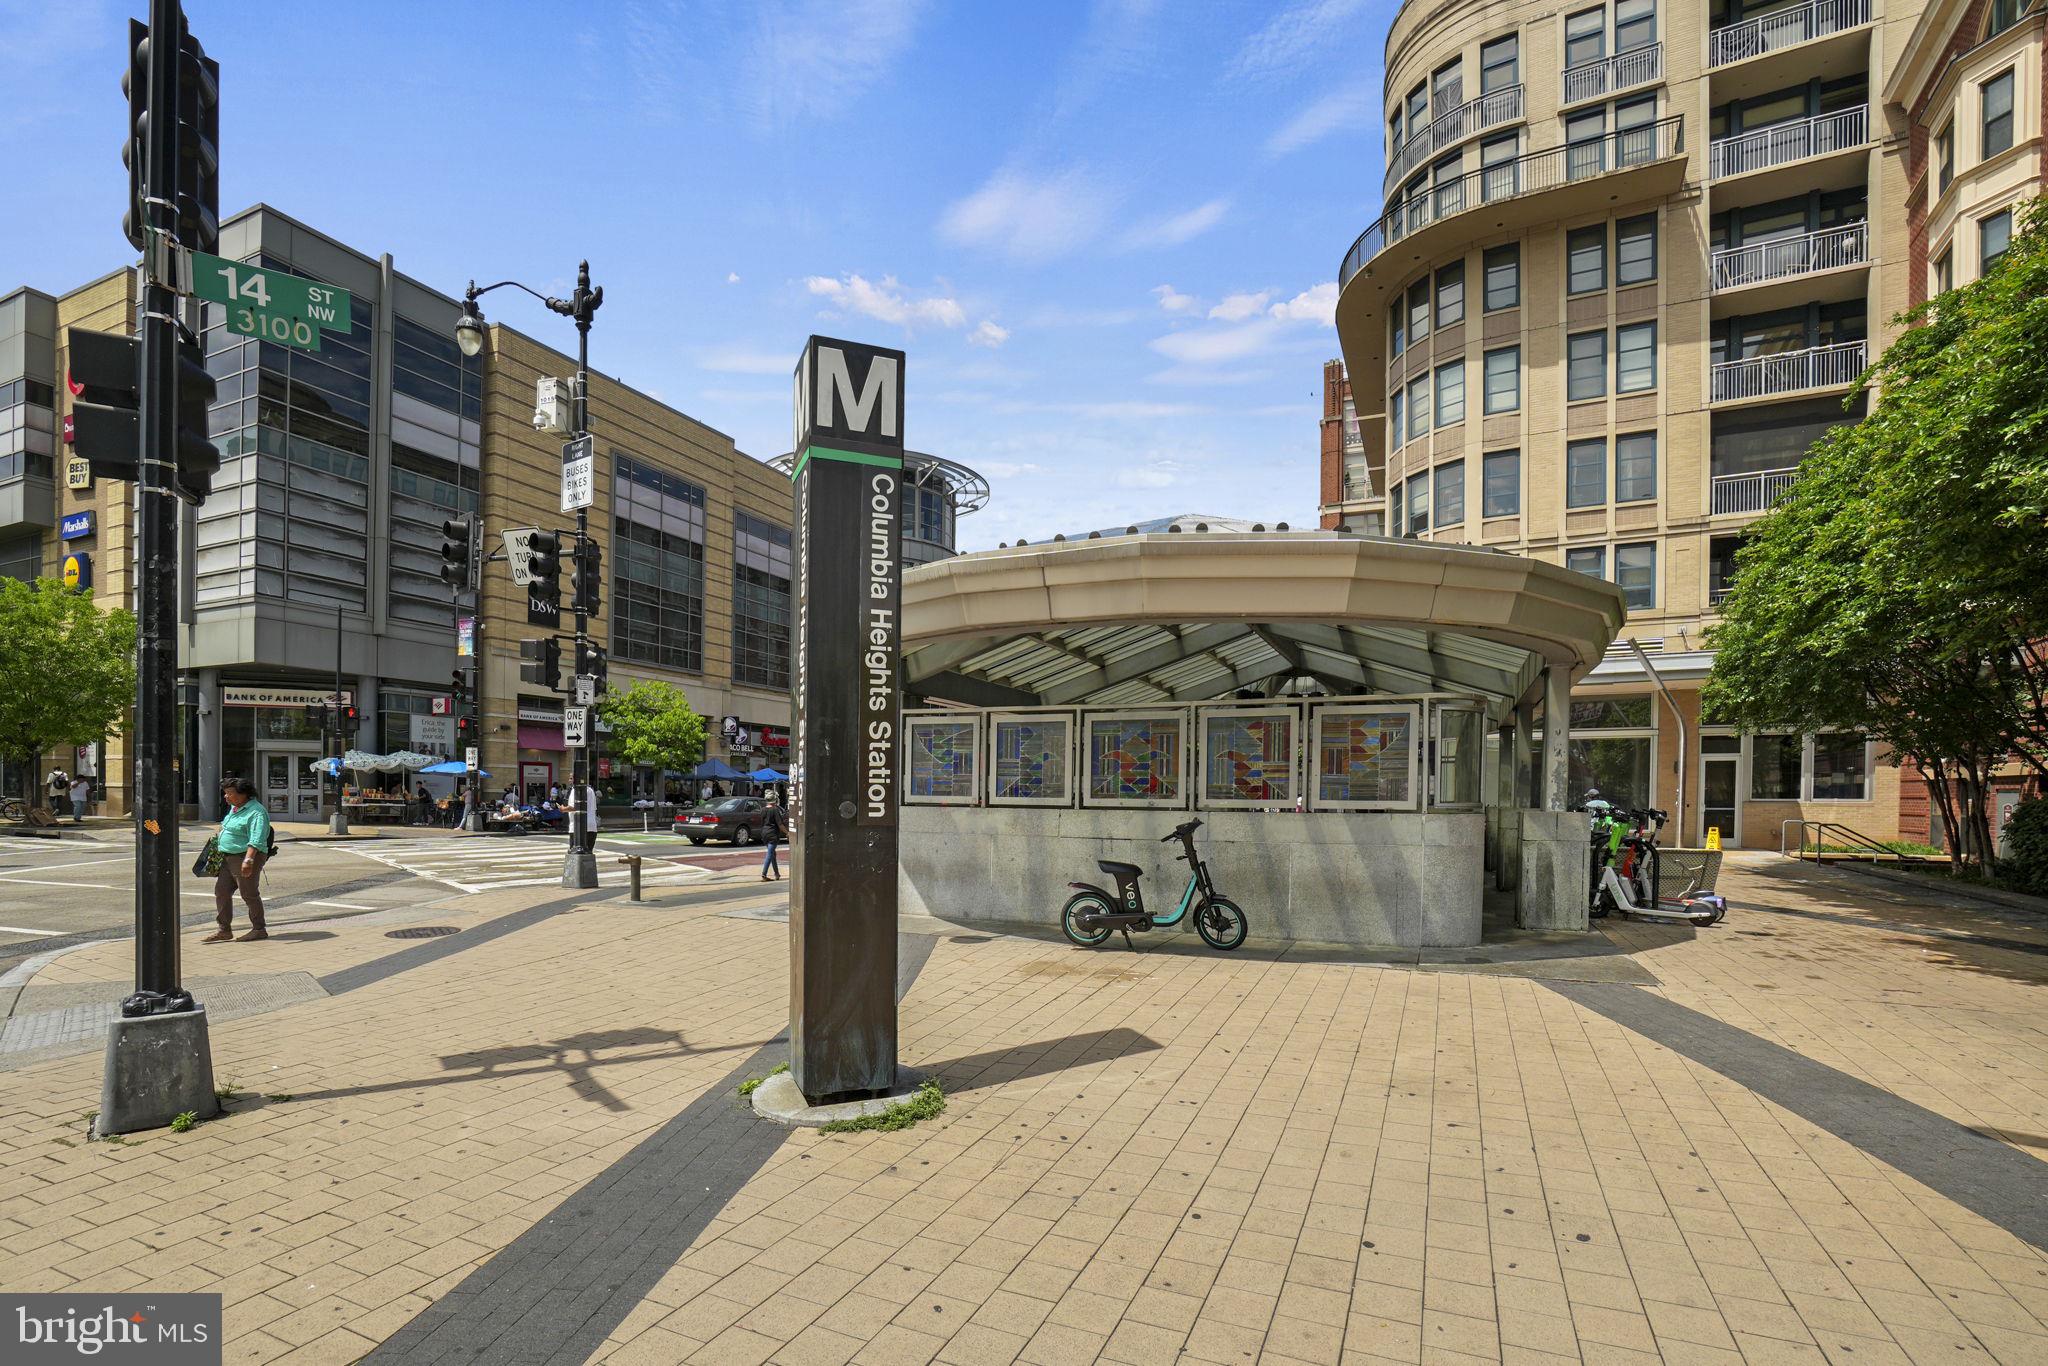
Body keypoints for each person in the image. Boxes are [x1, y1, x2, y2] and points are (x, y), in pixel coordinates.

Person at [204, 776, 272, 943]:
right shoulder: (235, 808)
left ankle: (259, 929)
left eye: (230, 793)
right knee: (221, 891)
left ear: (244, 794)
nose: (226, 797)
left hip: (245, 857)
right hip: (229, 857)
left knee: (248, 893)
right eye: (225, 793)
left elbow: (256, 838)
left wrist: (248, 860)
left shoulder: (256, 811)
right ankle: (224, 930)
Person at [760, 794, 786, 881]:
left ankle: (777, 873)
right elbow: (780, 824)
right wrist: (787, 833)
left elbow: (762, 822)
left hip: (764, 833)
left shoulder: (763, 810)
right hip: (772, 834)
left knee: (772, 854)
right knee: (770, 854)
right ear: (775, 801)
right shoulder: (775, 810)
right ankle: (764, 874)